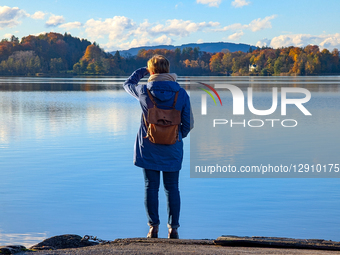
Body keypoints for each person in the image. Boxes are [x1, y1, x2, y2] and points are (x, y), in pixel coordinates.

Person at [123, 55, 193, 239]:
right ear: (168, 70)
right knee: (172, 188)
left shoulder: (143, 91)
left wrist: (141, 71)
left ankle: (153, 227)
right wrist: (176, 136)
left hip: (148, 147)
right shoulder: (181, 93)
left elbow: (127, 84)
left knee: (150, 187)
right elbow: (188, 123)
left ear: (151, 71)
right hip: (173, 147)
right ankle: (174, 228)